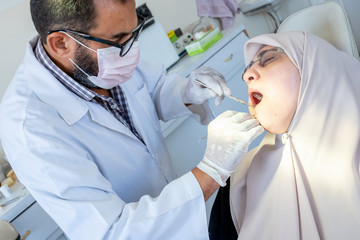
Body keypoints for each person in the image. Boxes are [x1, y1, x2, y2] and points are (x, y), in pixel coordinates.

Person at [0, 0, 264, 239]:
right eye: (119, 40)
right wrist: (212, 171)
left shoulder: (102, 58)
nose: (132, 48)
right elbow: (113, 232)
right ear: (61, 43)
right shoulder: (30, 129)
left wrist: (185, 92)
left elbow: (151, 89)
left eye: (134, 32)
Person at [208, 30, 360, 240]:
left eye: (268, 58)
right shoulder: (237, 185)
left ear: (317, 69)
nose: (247, 76)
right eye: (247, 71)